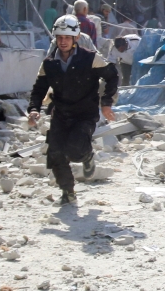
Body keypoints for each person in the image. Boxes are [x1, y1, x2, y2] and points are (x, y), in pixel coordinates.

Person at [27, 15, 119, 205]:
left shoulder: (90, 58)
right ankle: (67, 192)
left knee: (75, 149)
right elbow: (39, 88)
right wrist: (34, 109)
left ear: (75, 38)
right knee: (55, 152)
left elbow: (112, 75)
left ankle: (87, 157)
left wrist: (106, 102)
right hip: (61, 114)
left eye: (67, 37)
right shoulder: (49, 63)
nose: (63, 41)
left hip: (85, 114)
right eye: (60, 37)